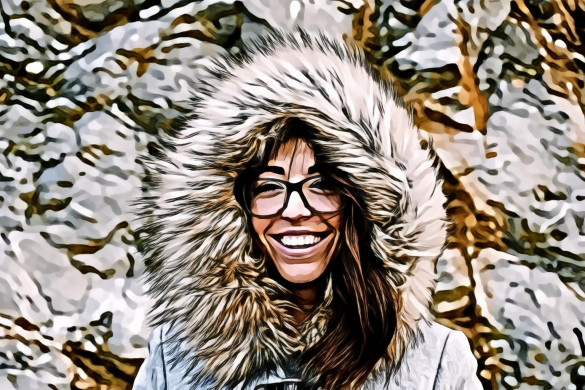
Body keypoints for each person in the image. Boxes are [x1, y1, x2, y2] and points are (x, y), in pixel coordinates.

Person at [133, 30, 482, 389]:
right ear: (235, 211)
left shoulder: (437, 361)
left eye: (322, 185)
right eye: (269, 187)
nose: (295, 209)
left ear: (361, 204)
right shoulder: (173, 361)